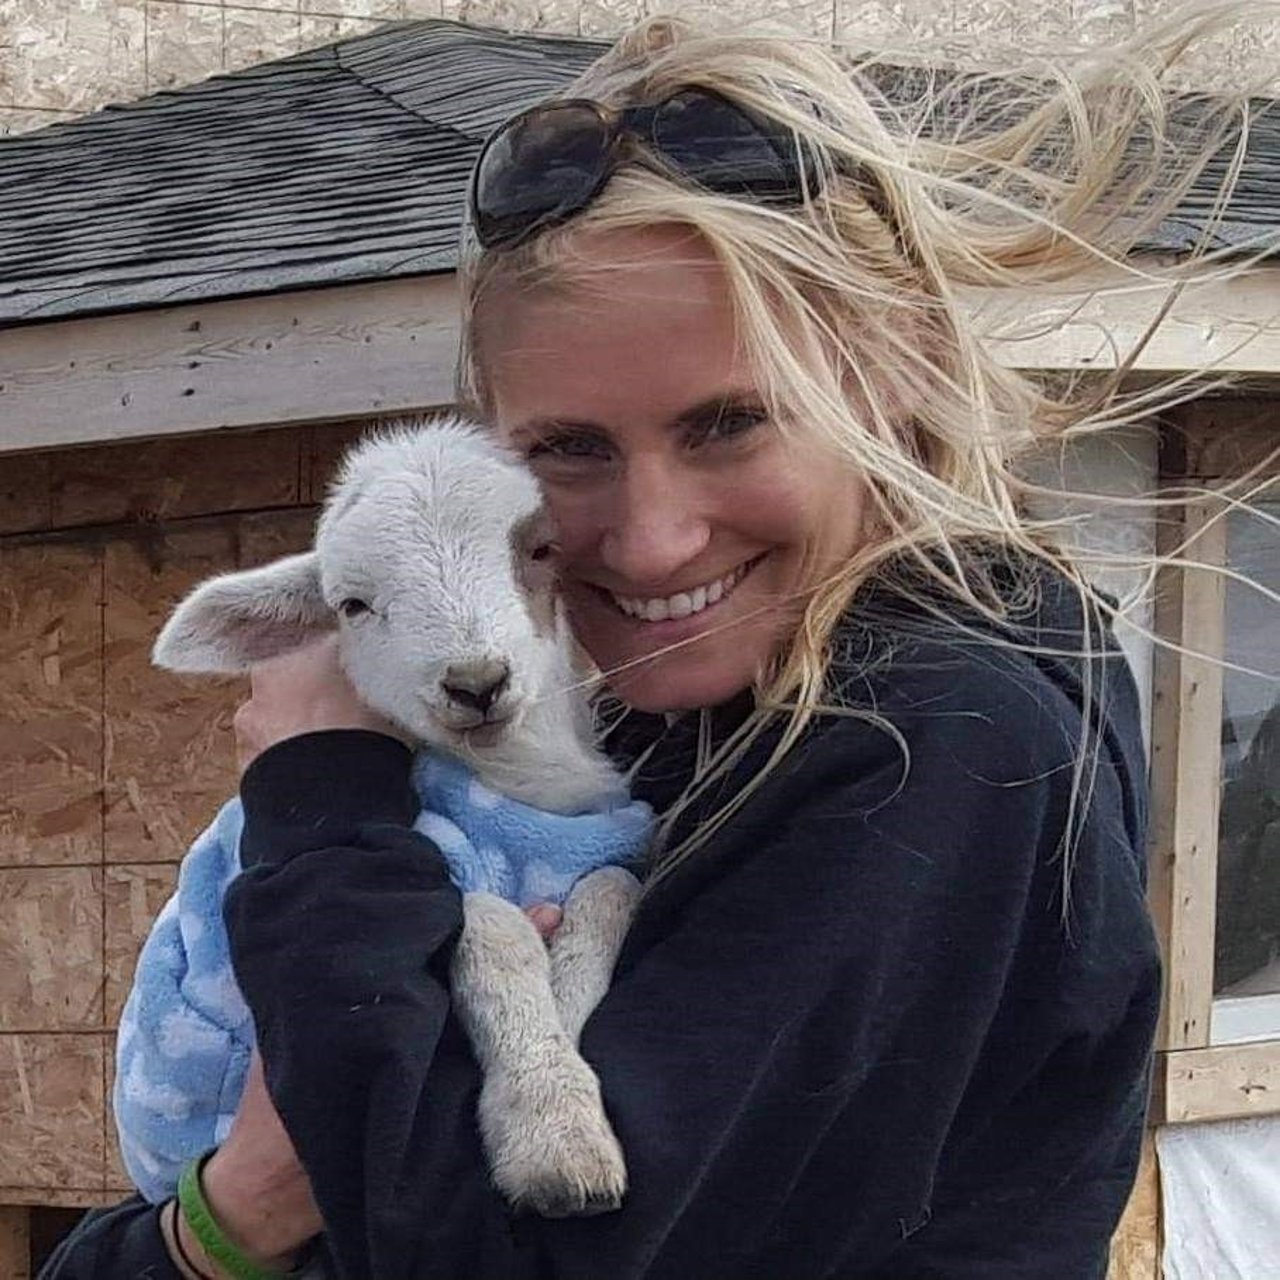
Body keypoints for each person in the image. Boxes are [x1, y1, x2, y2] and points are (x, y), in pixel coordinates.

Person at [42, 11, 1256, 1278]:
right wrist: (213, 1223)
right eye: (570, 449)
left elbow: (490, 1247)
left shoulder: (930, 743)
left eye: (730, 423)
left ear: (889, 369)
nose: (655, 538)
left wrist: (319, 792)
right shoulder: (653, 714)